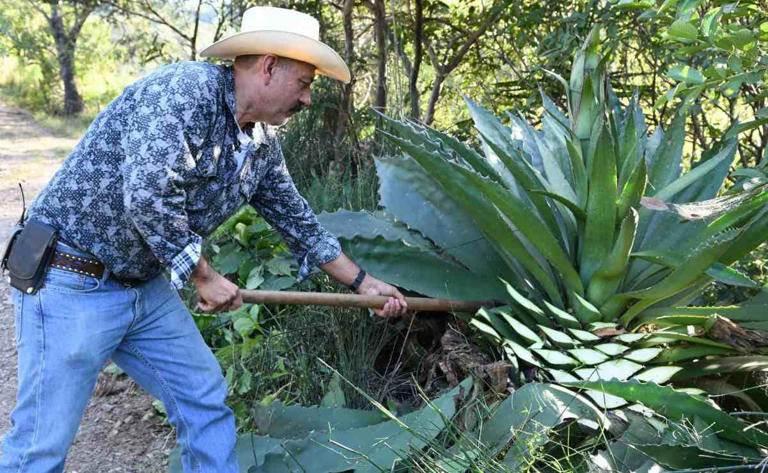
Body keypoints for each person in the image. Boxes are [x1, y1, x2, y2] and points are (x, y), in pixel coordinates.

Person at [0, 6, 407, 472]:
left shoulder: (260, 143)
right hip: (70, 280)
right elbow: (147, 194)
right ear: (270, 67)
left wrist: (363, 284)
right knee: (40, 447)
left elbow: (299, 222)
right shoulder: (186, 92)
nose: (308, 99)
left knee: (204, 399)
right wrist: (204, 276)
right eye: (305, 83)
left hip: (143, 287)